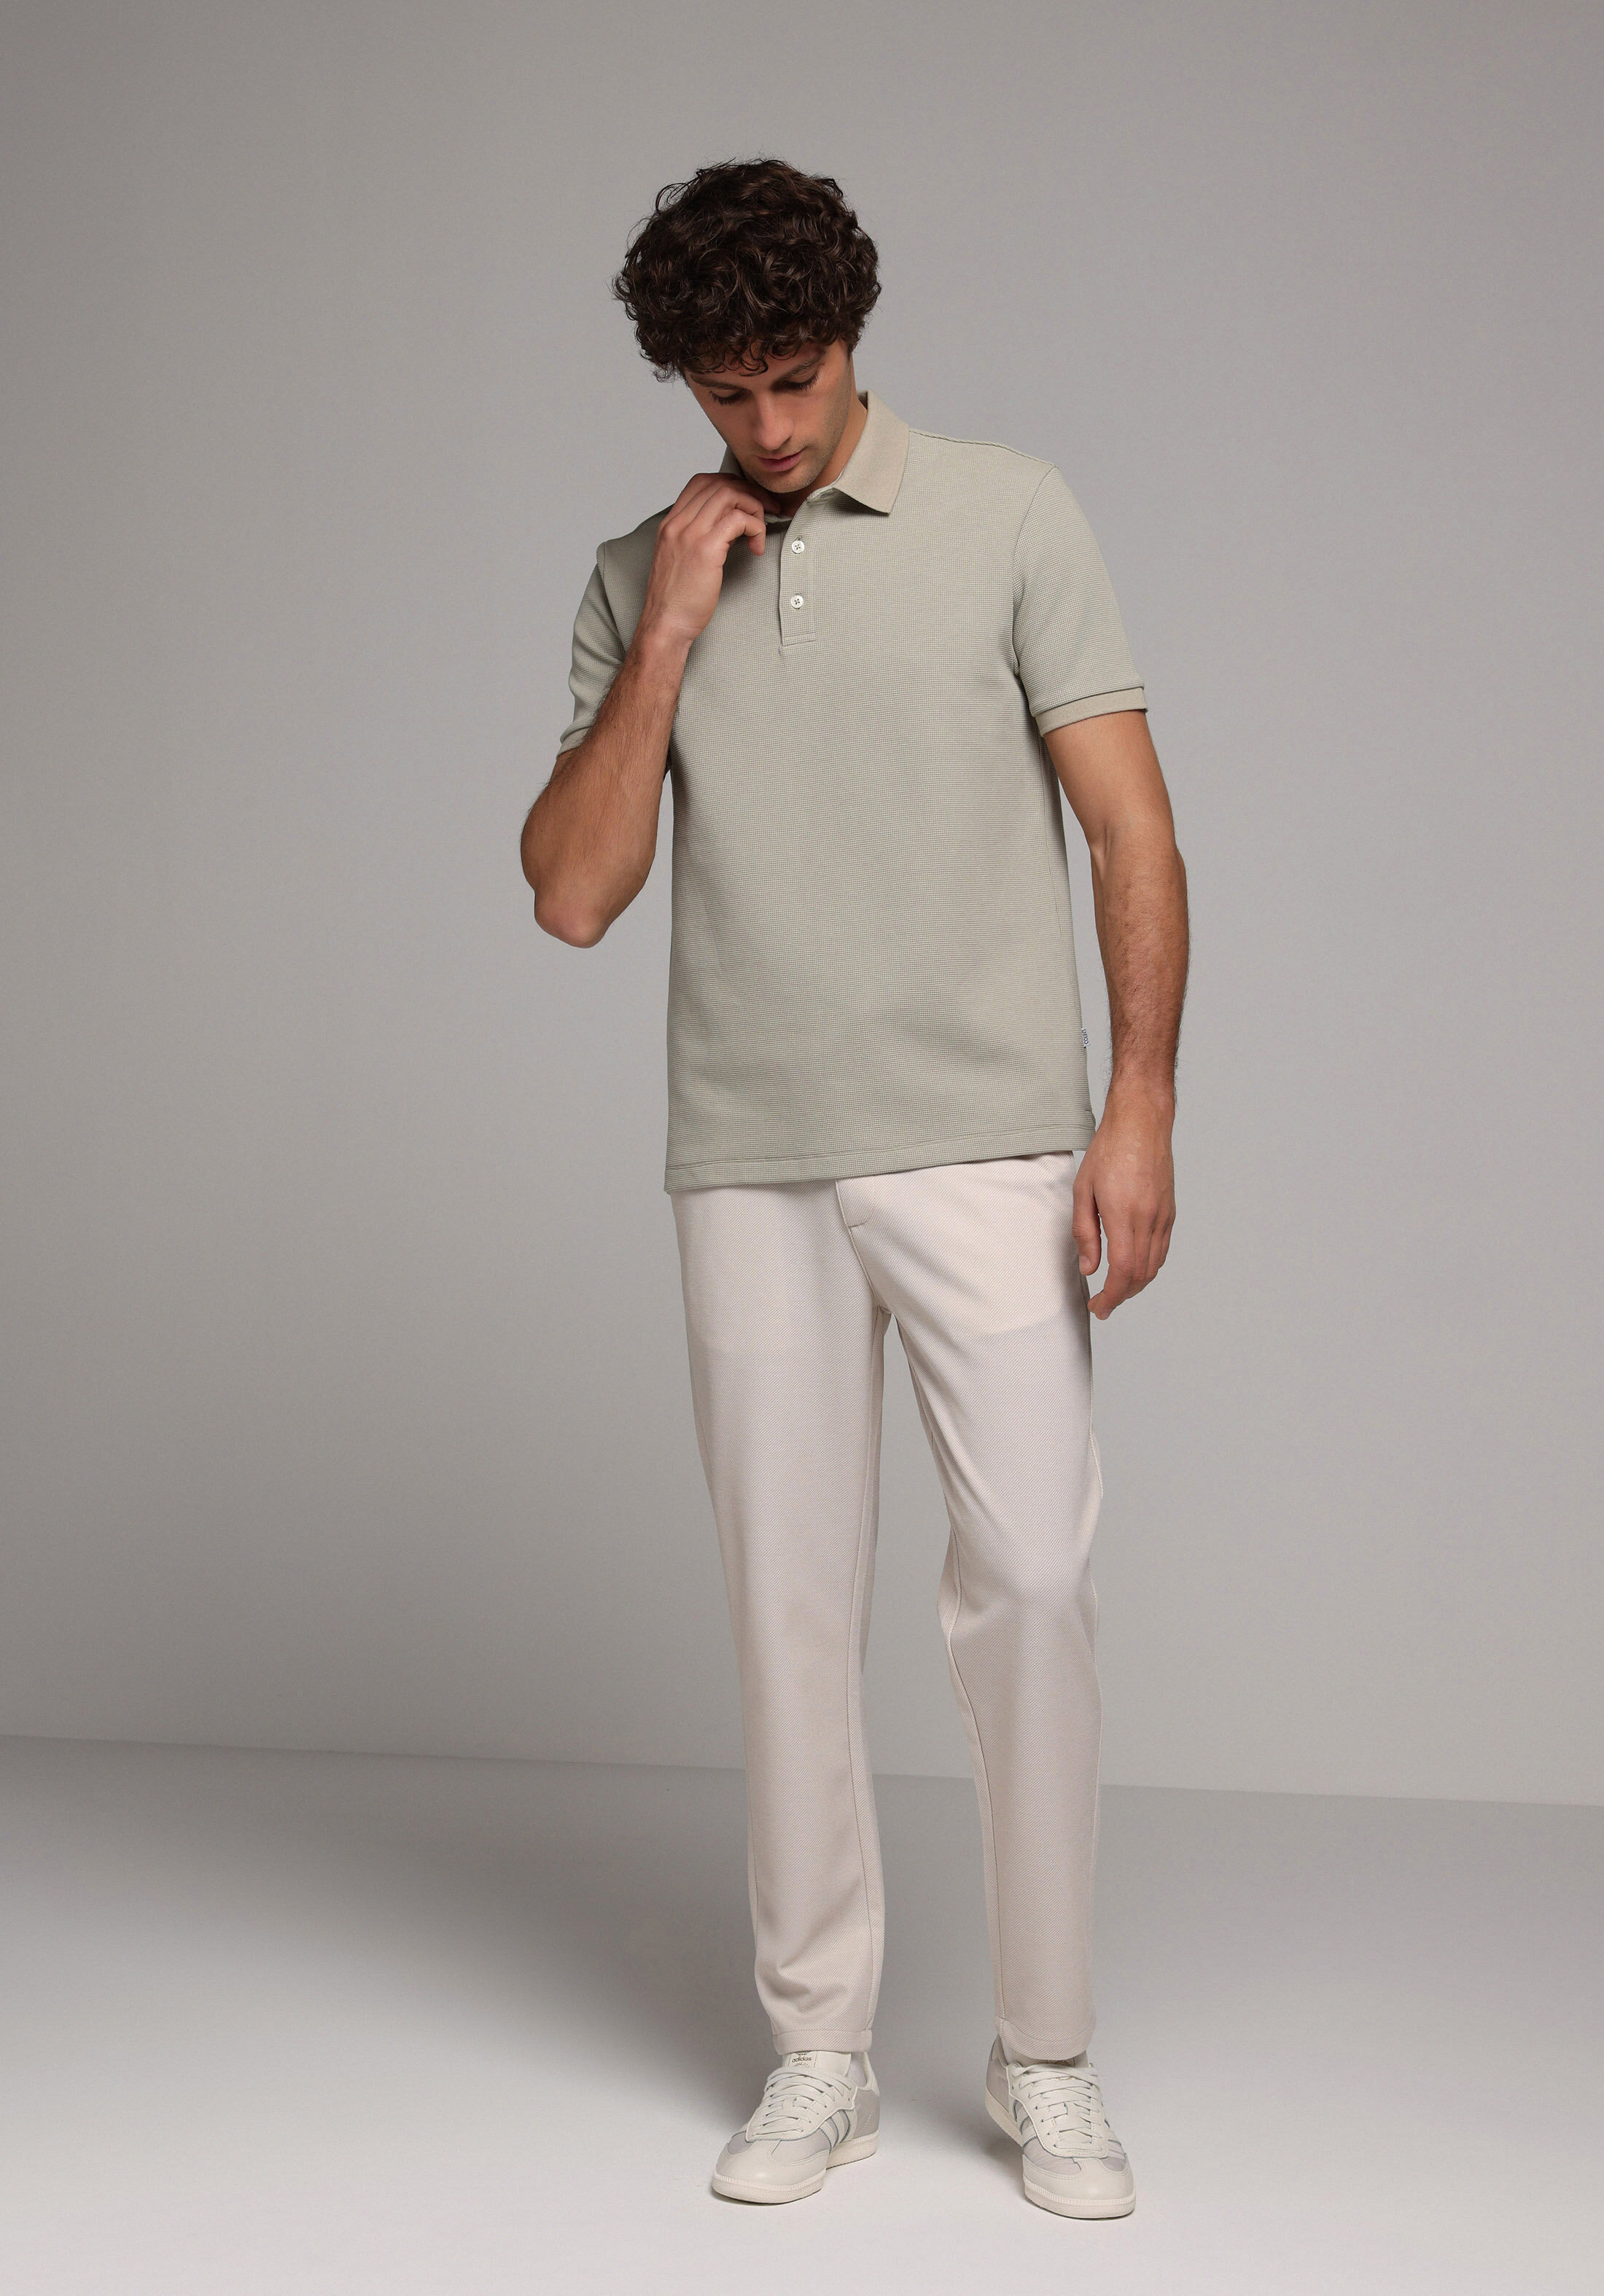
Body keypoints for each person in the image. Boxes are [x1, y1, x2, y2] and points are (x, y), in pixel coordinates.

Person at [521, 157, 1188, 2219]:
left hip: (992, 1141)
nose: (771, 429)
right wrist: (671, 632)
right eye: (726, 396)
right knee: (788, 1611)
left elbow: (1134, 833)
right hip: (751, 1156)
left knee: (1035, 1584)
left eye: (794, 381)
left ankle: (1047, 2055)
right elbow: (573, 895)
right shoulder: (639, 571)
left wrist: (1141, 1101)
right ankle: (820, 2048)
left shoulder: (1011, 513)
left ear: (851, 340)